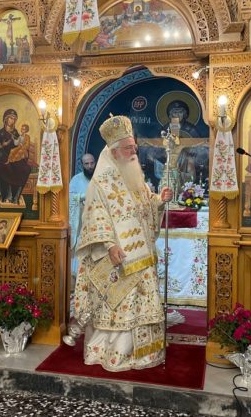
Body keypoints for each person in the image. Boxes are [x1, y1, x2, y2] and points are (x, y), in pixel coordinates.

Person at [73, 114, 172, 371]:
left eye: (134, 147)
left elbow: (145, 205)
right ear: (114, 151)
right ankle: (116, 353)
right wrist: (110, 245)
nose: (134, 152)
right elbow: (96, 216)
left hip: (142, 255)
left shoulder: (134, 176)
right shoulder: (101, 183)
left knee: (142, 304)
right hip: (118, 257)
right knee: (121, 306)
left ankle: (144, 353)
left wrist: (159, 201)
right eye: (129, 148)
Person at [0, 109, 33, 205]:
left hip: (14, 158)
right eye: (10, 118)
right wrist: (3, 147)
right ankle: (7, 196)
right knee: (7, 167)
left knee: (26, 168)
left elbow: (20, 145)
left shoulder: (15, 133)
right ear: (5, 119)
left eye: (14, 119)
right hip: (2, 158)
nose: (12, 120)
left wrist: (23, 152)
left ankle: (16, 196)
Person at [69, 153, 96, 290]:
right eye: (87, 164)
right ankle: (77, 286)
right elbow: (70, 198)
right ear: (82, 165)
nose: (90, 166)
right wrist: (82, 197)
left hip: (97, 222)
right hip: (81, 224)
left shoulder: (99, 178)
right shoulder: (76, 180)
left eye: (92, 163)